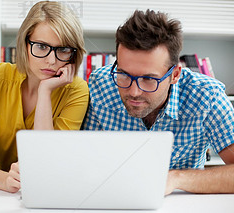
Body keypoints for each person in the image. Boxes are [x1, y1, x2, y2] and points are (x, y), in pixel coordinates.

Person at [83, 9, 234, 194]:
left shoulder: (206, 96)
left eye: (149, 79)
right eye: (123, 75)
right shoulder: (101, 85)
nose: (134, 92)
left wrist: (175, 178)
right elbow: (85, 162)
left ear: (175, 75)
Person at [0, 1, 89, 193]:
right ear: (24, 44)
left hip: (47, 193)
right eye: (41, 47)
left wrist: (45, 92)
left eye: (63, 50)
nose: (51, 61)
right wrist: (5, 180)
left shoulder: (77, 90)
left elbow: (47, 165)